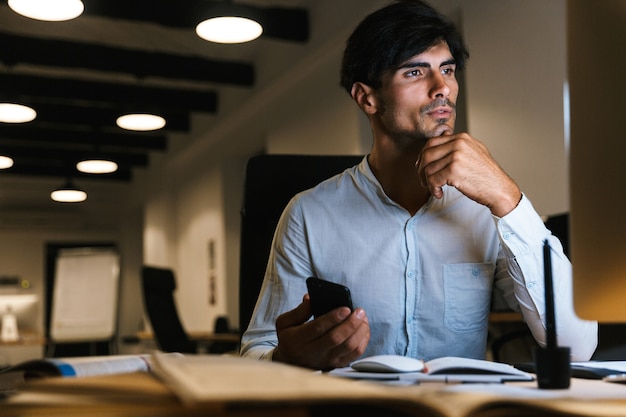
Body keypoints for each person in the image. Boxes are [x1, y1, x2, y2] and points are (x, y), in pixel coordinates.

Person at [240, 0, 597, 370]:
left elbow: (576, 345)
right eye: (414, 73)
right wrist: (286, 357)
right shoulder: (308, 214)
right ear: (367, 97)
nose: (442, 87)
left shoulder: (490, 210)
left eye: (447, 69)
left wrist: (508, 198)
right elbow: (255, 352)